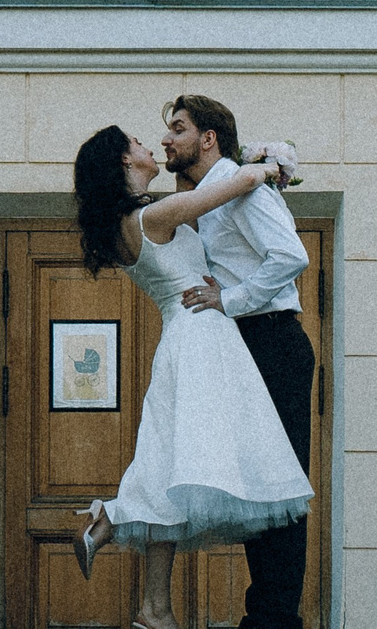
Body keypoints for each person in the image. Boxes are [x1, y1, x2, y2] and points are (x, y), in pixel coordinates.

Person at [69, 125, 313, 629]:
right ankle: (118, 536)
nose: (149, 144)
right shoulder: (152, 216)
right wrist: (269, 167)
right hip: (201, 336)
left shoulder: (129, 221)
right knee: (185, 461)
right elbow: (231, 188)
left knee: (171, 462)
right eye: (137, 142)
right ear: (122, 163)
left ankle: (153, 605)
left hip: (185, 338)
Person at [161, 95, 313, 629]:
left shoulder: (243, 187)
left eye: (177, 129)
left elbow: (292, 256)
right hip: (251, 344)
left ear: (208, 138)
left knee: (281, 484)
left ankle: (274, 618)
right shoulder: (215, 193)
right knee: (259, 481)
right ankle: (267, 614)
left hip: (272, 342)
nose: (165, 140)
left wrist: (232, 299)